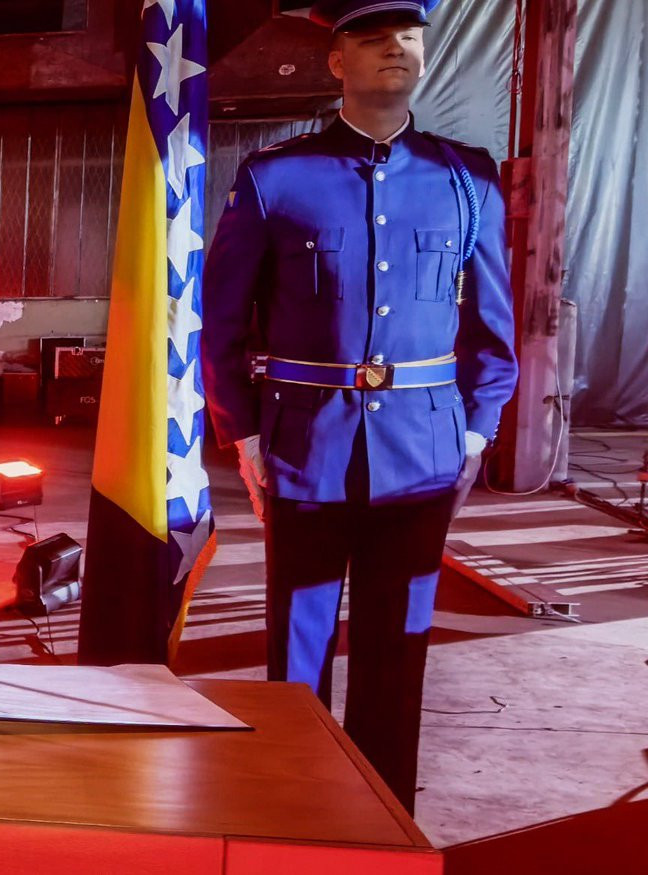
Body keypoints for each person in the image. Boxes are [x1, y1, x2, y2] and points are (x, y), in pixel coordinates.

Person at [201, 0, 518, 811]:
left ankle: (382, 815)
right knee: (299, 644)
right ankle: (294, 811)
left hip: (424, 450)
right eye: (375, 40)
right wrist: (243, 433)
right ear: (337, 61)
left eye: (409, 38)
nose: (397, 52)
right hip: (306, 443)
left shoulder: (467, 179)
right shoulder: (276, 178)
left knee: (398, 648)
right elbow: (223, 322)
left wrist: (476, 431)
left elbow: (493, 326)